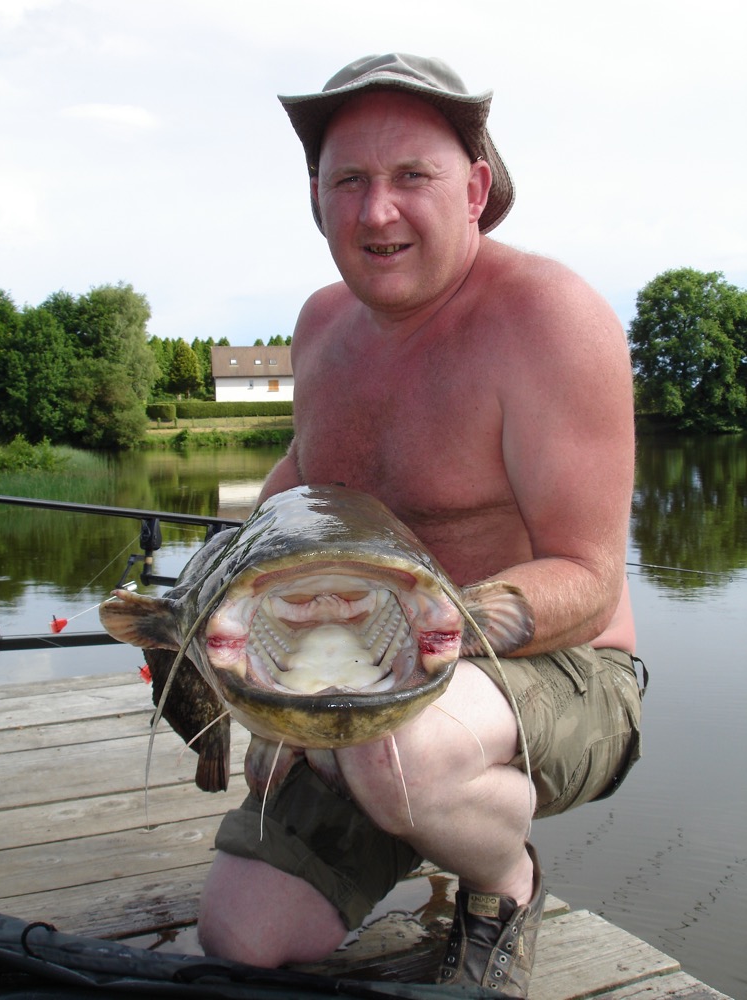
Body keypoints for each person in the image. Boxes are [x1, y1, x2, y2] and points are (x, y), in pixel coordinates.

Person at [198, 53, 644, 996]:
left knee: (396, 749)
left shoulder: (549, 320)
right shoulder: (322, 324)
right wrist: (219, 591)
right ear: (315, 198)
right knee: (242, 938)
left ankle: (504, 882)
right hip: (367, 672)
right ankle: (404, 806)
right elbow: (301, 483)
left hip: (567, 668)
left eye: (413, 178)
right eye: (348, 181)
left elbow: (589, 572)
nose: (376, 212)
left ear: (476, 189)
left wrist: (405, 654)